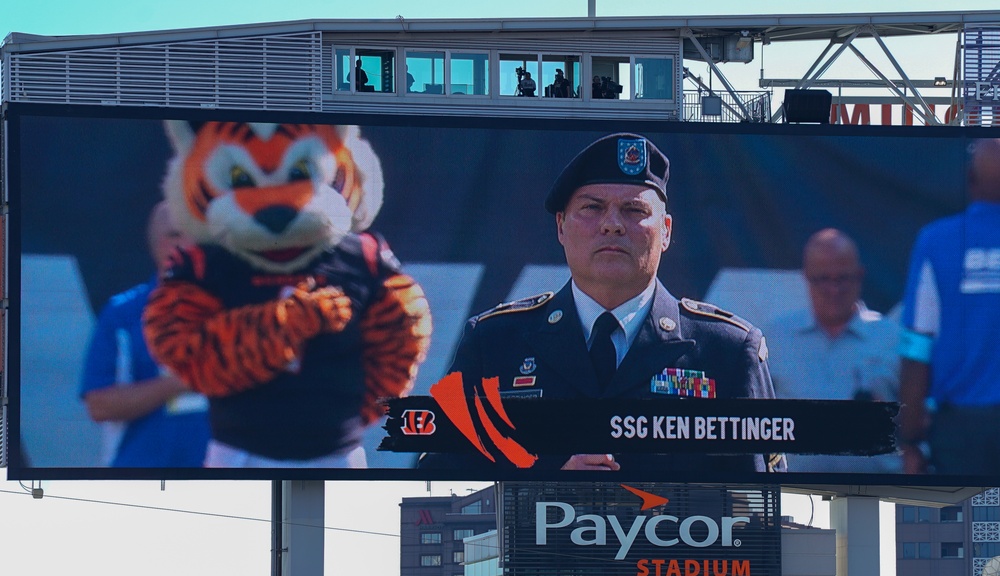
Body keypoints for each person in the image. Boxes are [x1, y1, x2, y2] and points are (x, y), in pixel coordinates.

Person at [421, 133, 778, 474]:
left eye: (633, 210)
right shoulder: (494, 344)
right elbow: (441, 479)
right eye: (592, 207)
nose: (612, 225)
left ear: (666, 230)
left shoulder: (727, 353)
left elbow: (758, 505)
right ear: (560, 227)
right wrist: (545, 480)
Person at [80, 201, 210, 467]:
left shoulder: (233, 309)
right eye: (176, 235)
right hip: (140, 478)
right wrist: (182, 381)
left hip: (225, 479)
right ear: (157, 244)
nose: (188, 244)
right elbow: (99, 404)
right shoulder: (123, 313)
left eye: (195, 235)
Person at [898, 138, 1000, 476]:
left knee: (966, 527)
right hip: (958, 429)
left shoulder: (936, 242)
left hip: (959, 435)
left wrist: (910, 438)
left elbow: (917, 345)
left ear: (970, 180)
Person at [763, 228, 900, 473]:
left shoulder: (892, 338)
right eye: (823, 279)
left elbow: (919, 422)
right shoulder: (775, 339)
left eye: (842, 279)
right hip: (796, 495)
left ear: (860, 276)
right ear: (806, 277)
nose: (833, 290)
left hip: (879, 493)